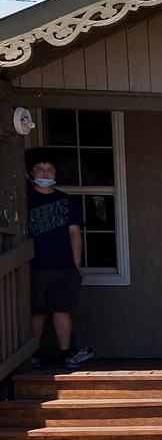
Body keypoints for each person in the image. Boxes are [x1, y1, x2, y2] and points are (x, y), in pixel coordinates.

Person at [24, 148, 93, 370]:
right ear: (30, 172)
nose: (45, 174)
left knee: (62, 310)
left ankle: (65, 353)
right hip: (33, 266)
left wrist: (76, 264)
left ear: (56, 175)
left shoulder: (65, 200)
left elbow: (75, 233)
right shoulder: (24, 198)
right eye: (40, 170)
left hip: (63, 267)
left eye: (50, 170)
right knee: (36, 312)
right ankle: (33, 354)